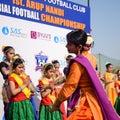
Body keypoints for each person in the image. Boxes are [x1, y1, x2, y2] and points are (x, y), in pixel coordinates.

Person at [49, 29, 120, 120]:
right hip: (94, 100)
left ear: (79, 46)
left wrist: (57, 103)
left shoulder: (78, 63)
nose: (66, 45)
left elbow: (70, 85)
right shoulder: (90, 58)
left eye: (69, 44)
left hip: (86, 102)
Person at [0, 46, 15, 120]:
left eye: (13, 54)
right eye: (11, 53)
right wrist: (13, 66)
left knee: (15, 106)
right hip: (7, 87)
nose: (12, 55)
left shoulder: (14, 64)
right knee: (8, 107)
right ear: (5, 54)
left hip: (16, 86)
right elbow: (5, 72)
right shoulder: (2, 63)